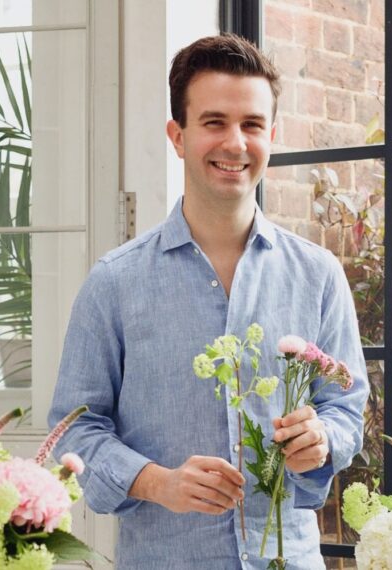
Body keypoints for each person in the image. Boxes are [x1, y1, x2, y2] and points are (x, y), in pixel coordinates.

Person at [48, 34, 369, 569]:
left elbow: (346, 409)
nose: (235, 144)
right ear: (178, 136)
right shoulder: (114, 282)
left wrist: (323, 439)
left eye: (252, 125)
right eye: (214, 122)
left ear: (271, 134)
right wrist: (157, 483)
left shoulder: (318, 275)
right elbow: (74, 428)